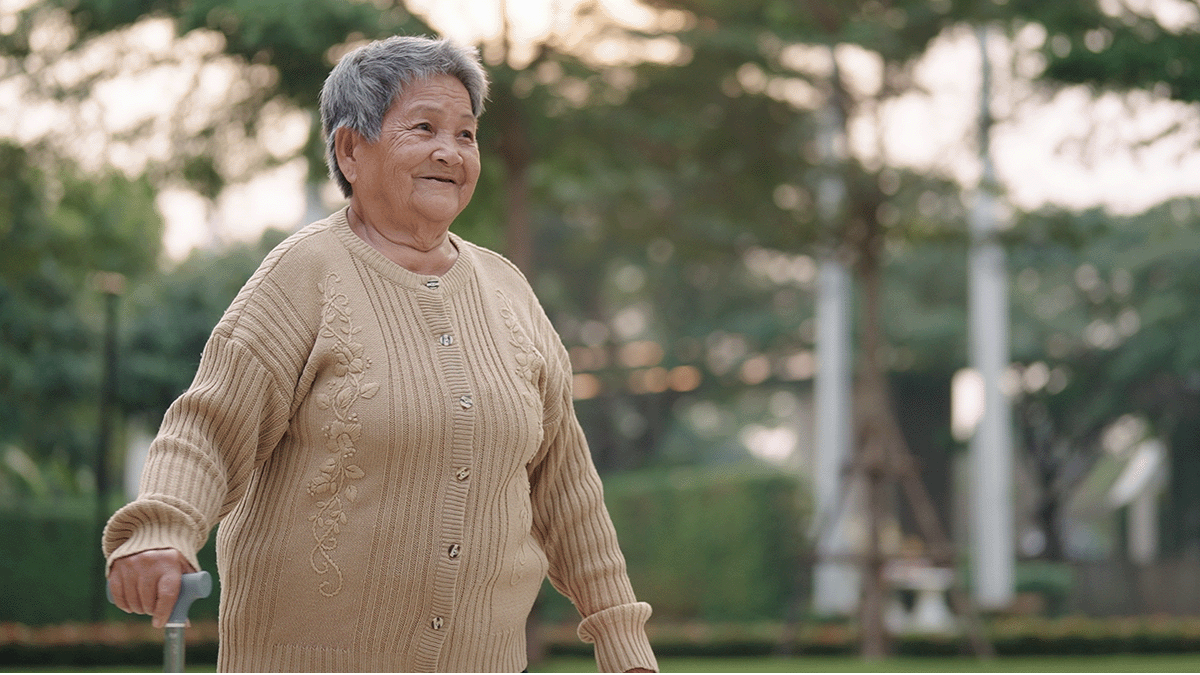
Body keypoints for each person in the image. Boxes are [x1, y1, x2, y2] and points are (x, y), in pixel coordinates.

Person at [103, 35, 658, 673]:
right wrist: (161, 528)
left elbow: (568, 490)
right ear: (350, 149)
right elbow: (208, 427)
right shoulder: (304, 273)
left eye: (467, 134)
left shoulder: (508, 291)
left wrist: (623, 643)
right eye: (423, 128)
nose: (450, 152)